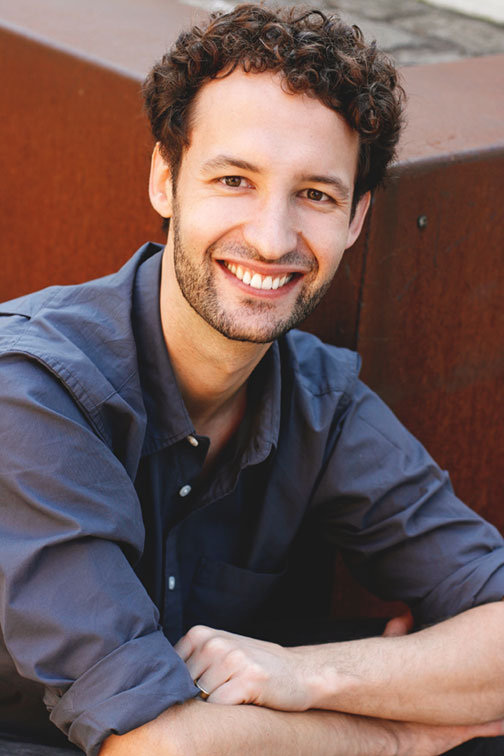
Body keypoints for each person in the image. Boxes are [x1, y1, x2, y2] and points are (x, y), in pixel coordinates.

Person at [0, 4, 503, 756]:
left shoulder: (319, 401)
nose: (271, 238)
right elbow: (154, 746)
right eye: (234, 179)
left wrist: (315, 675)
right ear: (165, 180)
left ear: (356, 219)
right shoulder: (32, 392)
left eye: (316, 195)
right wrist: (398, 736)